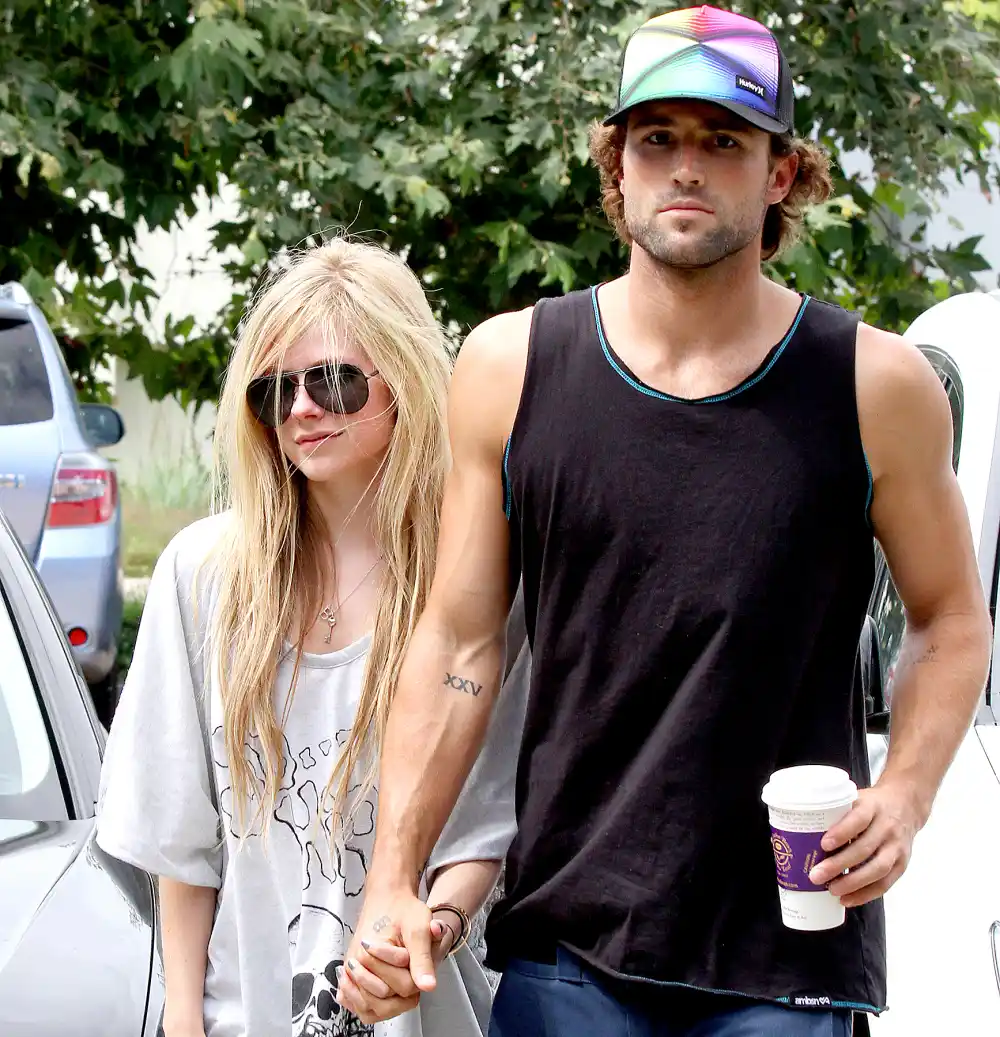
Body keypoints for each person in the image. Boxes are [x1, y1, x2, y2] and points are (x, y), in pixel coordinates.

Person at [337, 6, 993, 1037]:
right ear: (619, 168)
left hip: (789, 953)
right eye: (658, 139)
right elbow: (459, 643)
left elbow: (951, 617)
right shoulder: (512, 368)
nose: (686, 166)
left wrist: (904, 796)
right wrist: (390, 881)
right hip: (568, 947)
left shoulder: (874, 385)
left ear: (778, 174)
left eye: (723, 141)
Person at [94, 237, 525, 1037]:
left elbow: (490, 820)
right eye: (272, 392)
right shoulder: (204, 576)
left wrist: (433, 927)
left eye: (333, 381)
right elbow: (179, 844)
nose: (300, 410)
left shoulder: (477, 586)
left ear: (404, 385)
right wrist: (184, 1022)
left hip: (432, 1013)